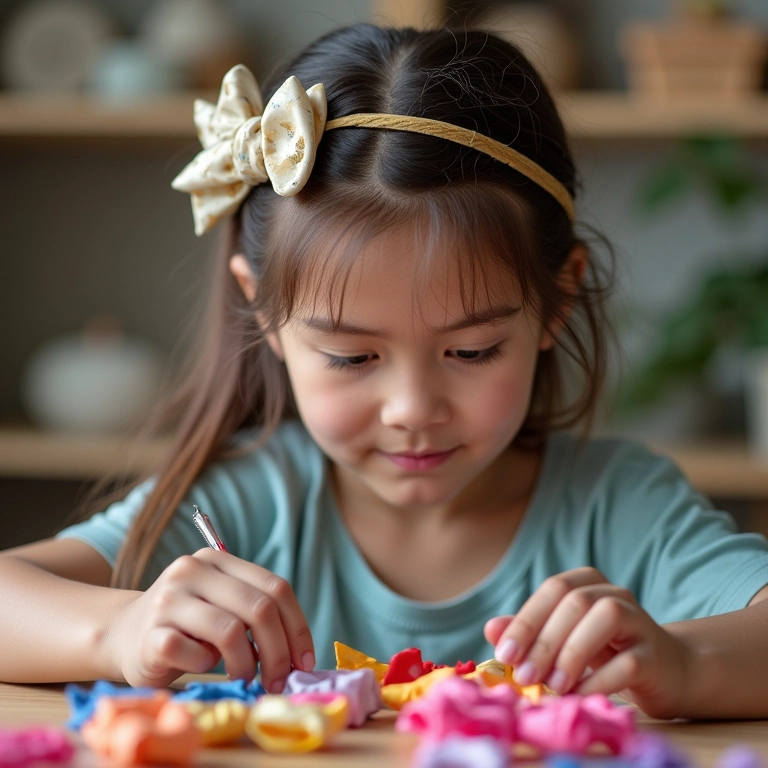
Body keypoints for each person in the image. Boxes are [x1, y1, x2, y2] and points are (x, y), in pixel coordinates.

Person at [1, 23, 767, 722]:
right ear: (259, 308)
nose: (412, 407)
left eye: (470, 352)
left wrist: (686, 663)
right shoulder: (242, 506)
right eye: (352, 357)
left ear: (557, 299)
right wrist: (121, 631)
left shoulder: (620, 509)